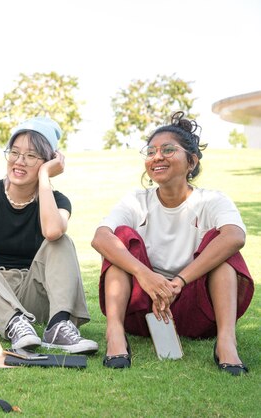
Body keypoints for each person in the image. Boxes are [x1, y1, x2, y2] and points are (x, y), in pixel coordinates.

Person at [92, 112, 254, 375]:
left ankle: (226, 342)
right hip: (143, 311)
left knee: (221, 242)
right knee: (118, 237)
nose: (157, 156)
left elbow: (236, 236)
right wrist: (146, 276)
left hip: (196, 310)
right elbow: (100, 238)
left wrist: (177, 282)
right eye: (151, 151)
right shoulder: (136, 200)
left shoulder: (211, 200)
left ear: (192, 161)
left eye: (168, 150)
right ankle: (115, 334)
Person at [0, 116, 98, 353]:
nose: (20, 161)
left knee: (61, 240)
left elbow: (52, 231)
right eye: (15, 152)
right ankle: (13, 323)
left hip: (34, 295)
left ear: (49, 161)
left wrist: (44, 178)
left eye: (31, 156)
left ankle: (58, 326)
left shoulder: (58, 201)